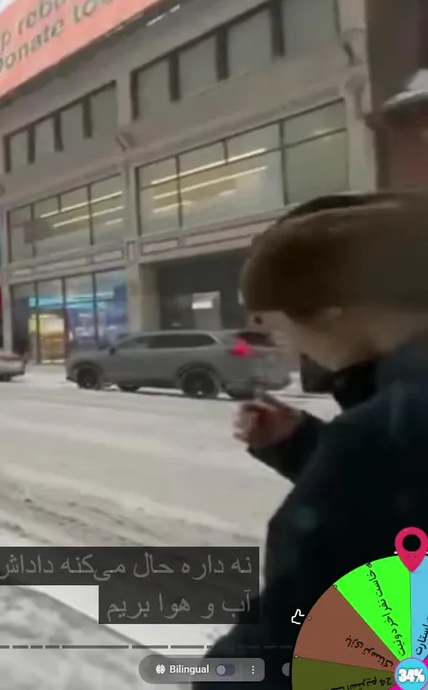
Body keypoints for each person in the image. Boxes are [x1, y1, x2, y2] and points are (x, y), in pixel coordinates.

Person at [198, 193, 428, 689]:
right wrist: (302, 446)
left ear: (328, 309)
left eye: (280, 323)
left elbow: (296, 643)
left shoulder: (379, 436)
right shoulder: (396, 425)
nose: (289, 344)